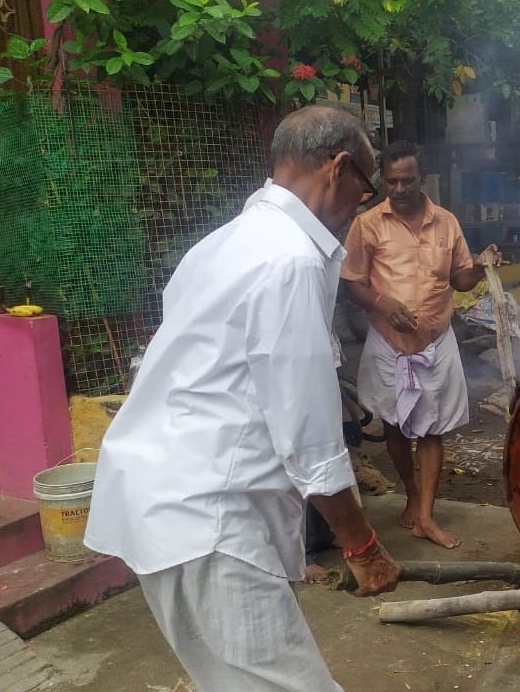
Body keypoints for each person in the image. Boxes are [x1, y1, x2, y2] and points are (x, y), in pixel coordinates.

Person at [84, 106, 399, 692]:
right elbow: (310, 440)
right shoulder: (289, 261)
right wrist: (363, 544)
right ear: (339, 168)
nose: (365, 200)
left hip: (173, 508)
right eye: (368, 184)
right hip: (207, 518)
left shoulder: (222, 245)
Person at [341, 141, 498, 550]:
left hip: (435, 339)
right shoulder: (368, 224)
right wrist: (381, 302)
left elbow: (460, 280)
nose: (397, 188)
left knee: (432, 430)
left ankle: (426, 514)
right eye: (390, 181)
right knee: (393, 423)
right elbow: (352, 281)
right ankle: (411, 493)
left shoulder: (446, 223)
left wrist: (479, 267)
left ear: (421, 180)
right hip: (388, 341)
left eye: (406, 181)